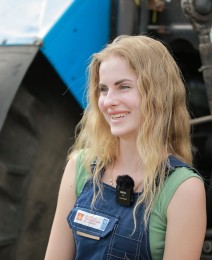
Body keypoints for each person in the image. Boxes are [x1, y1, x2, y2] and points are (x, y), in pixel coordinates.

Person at [44, 35, 207, 260]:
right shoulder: (81, 167)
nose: (108, 101)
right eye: (103, 89)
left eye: (124, 87)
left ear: (157, 94)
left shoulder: (182, 189)